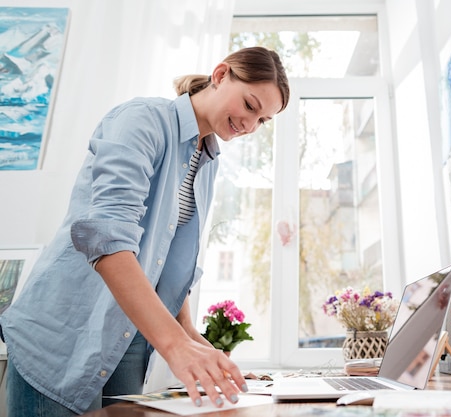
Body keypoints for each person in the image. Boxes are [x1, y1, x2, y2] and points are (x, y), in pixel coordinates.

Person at [0, 46, 290, 416]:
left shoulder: (208, 158)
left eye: (262, 120)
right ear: (220, 75)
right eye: (250, 106)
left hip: (128, 338)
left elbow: (167, 257)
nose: (250, 126)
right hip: (67, 329)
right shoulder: (143, 120)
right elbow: (107, 238)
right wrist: (174, 346)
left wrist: (193, 339)